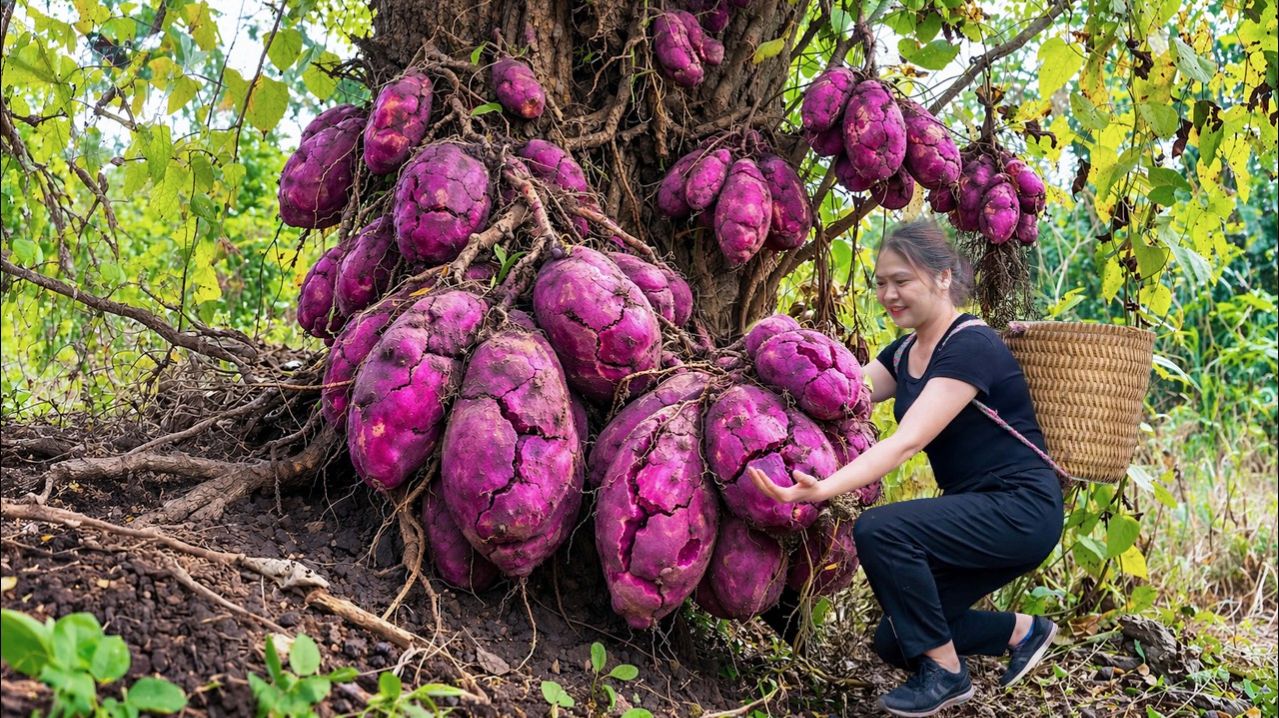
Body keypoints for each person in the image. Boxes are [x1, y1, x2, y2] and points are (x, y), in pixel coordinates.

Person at [749, 219, 1065, 717]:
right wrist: (757, 381)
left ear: (943, 277)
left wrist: (823, 488)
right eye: (881, 283)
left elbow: (908, 441)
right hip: (981, 508)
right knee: (899, 638)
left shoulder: (970, 345)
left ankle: (947, 674)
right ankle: (1024, 632)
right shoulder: (904, 351)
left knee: (880, 529)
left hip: (1019, 508)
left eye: (903, 281)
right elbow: (843, 395)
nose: (889, 294)